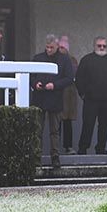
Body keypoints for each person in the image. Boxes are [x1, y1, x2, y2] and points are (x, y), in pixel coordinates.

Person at [30, 34, 74, 167]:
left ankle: (55, 157)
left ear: (57, 46)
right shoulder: (38, 58)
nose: (49, 50)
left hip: (55, 99)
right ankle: (36, 157)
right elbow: (31, 75)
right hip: (39, 98)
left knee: (54, 131)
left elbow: (69, 78)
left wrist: (55, 85)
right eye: (47, 47)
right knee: (37, 130)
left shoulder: (64, 59)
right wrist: (35, 84)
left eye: (51, 47)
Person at [75, 36, 107, 155]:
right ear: (94, 46)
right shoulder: (86, 60)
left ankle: (101, 148)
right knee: (88, 125)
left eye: (104, 46)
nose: (101, 48)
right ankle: (83, 148)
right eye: (99, 45)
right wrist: (83, 94)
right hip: (91, 100)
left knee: (105, 126)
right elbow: (79, 79)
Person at [58, 35, 78, 155]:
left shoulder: (72, 60)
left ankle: (68, 146)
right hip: (58, 95)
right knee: (56, 123)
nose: (62, 50)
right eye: (60, 47)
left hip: (69, 96)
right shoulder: (56, 59)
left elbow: (74, 75)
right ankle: (56, 147)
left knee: (67, 122)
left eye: (63, 47)